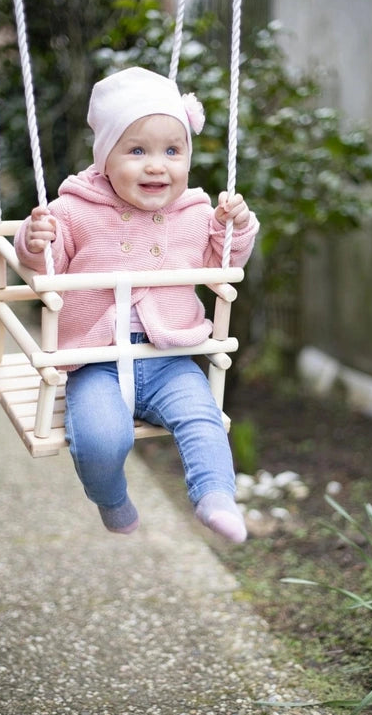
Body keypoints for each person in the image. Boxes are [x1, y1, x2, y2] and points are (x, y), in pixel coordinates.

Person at [15, 66, 260, 543]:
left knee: (203, 419)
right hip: (96, 361)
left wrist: (237, 227)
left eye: (172, 150)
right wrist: (34, 238)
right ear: (105, 159)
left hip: (169, 357)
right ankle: (111, 498)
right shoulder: (73, 210)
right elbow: (43, 264)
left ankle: (216, 498)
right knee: (100, 440)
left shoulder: (193, 214)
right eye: (137, 151)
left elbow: (222, 259)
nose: (157, 165)